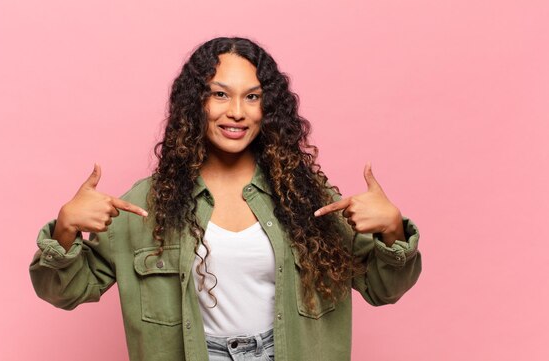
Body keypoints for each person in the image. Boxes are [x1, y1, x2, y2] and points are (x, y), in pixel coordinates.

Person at [30, 37, 421, 361]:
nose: (236, 112)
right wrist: (65, 229)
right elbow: (62, 292)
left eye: (252, 97)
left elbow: (383, 288)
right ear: (195, 103)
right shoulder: (145, 204)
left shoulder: (307, 199)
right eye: (220, 94)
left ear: (268, 108)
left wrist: (391, 229)